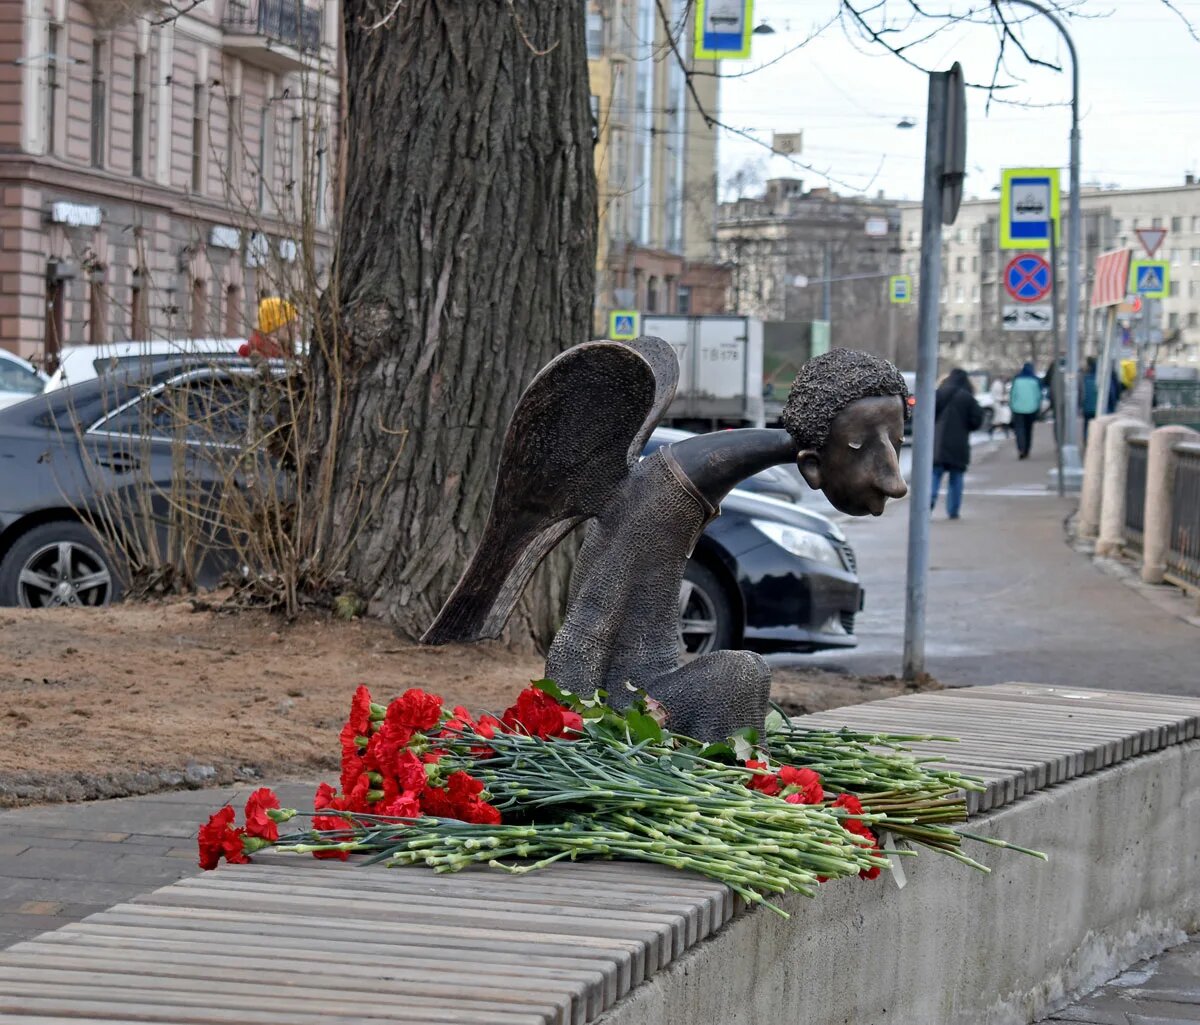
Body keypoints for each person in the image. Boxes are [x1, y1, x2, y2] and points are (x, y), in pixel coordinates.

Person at [930, 368, 983, 520]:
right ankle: (953, 510)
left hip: (938, 443)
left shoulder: (938, 394)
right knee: (956, 478)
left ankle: (929, 500)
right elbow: (976, 420)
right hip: (959, 444)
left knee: (934, 474)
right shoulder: (968, 398)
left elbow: (927, 414)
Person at [1009, 361, 1042, 459]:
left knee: (1019, 430)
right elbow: (1038, 396)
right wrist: (1037, 407)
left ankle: (1021, 449)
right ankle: (1027, 450)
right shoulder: (1035, 380)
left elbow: (1013, 394)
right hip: (1031, 409)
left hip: (1018, 409)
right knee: (1028, 430)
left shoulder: (1017, 380)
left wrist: (1012, 405)